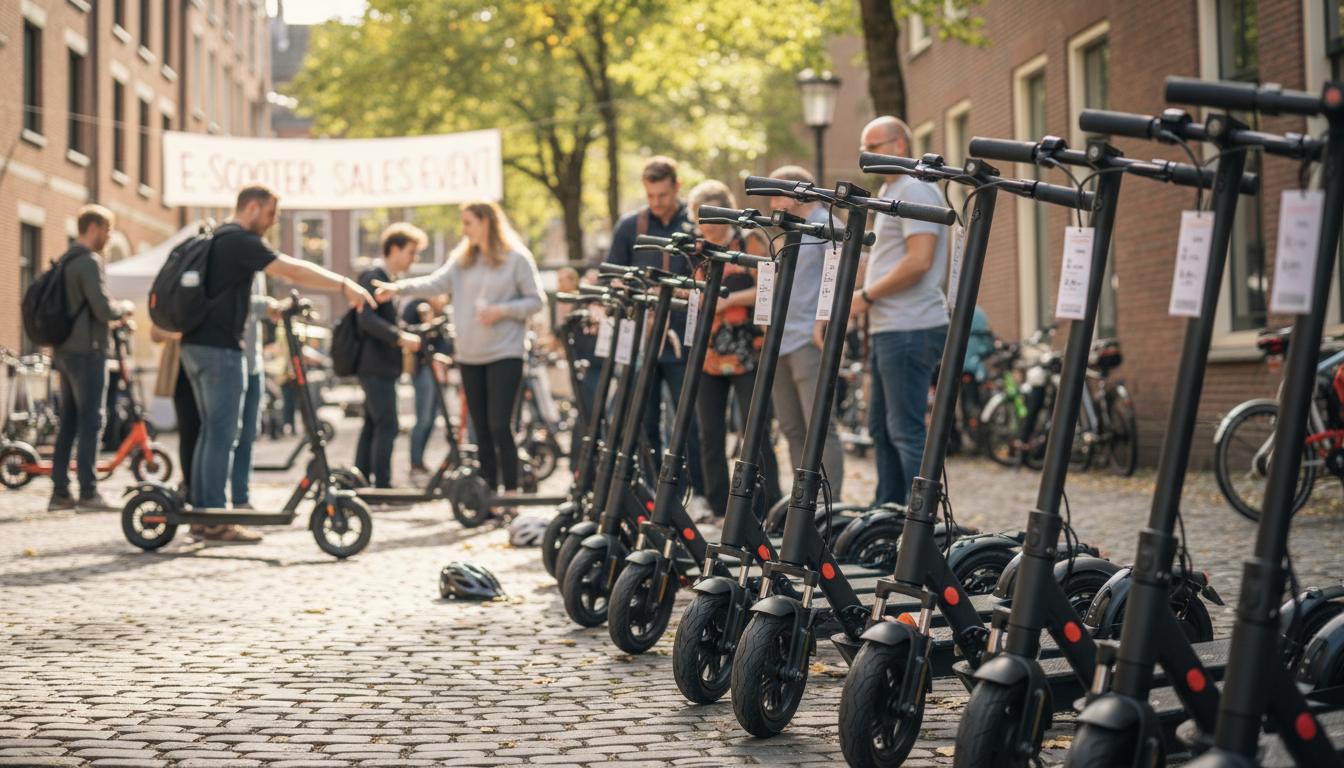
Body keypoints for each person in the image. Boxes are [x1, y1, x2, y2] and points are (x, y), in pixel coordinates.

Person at [179, 185, 376, 542]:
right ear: (252, 208)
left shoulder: (219, 239)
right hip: (221, 350)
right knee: (223, 434)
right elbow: (292, 270)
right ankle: (214, 519)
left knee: (212, 432)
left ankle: (204, 514)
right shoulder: (239, 240)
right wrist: (344, 284)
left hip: (196, 347)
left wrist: (269, 306)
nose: (272, 223)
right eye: (271, 214)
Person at [374, 201, 544, 496]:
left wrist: (502, 310)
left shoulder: (516, 258)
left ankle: (512, 493)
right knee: (481, 430)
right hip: (469, 356)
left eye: (468, 222)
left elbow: (536, 301)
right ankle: (489, 492)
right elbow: (434, 283)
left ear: (486, 222)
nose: (463, 229)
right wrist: (398, 289)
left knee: (500, 425)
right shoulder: (461, 260)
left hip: (505, 353)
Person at [850, 116, 951, 505]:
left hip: (911, 328)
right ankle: (888, 512)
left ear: (899, 146)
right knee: (879, 427)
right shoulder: (891, 192)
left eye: (874, 146)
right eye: (865, 147)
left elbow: (920, 260)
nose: (867, 155)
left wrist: (868, 295)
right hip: (889, 329)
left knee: (905, 429)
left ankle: (922, 518)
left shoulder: (915, 190)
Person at [604, 156, 707, 508]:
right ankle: (652, 494)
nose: (657, 202)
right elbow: (612, 274)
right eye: (651, 195)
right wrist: (632, 288)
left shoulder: (695, 222)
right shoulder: (630, 225)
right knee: (644, 421)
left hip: (683, 339)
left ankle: (694, 496)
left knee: (686, 422)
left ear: (677, 187)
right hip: (643, 341)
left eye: (662, 194)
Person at [687, 181, 782, 520]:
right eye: (705, 226)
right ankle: (719, 507)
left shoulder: (751, 241)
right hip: (708, 352)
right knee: (709, 433)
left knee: (753, 430)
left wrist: (723, 300)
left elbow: (766, 288)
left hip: (748, 349)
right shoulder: (696, 248)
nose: (711, 233)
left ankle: (768, 505)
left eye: (716, 226)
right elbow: (689, 292)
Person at [763, 165, 846, 501]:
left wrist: (824, 322)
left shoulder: (830, 226)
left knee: (820, 429)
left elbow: (844, 278)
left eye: (776, 194)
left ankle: (830, 506)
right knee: (792, 429)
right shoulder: (783, 230)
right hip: (778, 341)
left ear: (794, 192)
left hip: (809, 341)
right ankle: (803, 501)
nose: (772, 202)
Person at [47, 205, 134, 512]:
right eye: (107, 231)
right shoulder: (89, 261)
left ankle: (60, 491)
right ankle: (88, 491)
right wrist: (123, 308)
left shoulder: (66, 259)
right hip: (88, 351)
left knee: (69, 420)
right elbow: (102, 308)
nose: (108, 238)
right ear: (94, 228)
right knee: (92, 420)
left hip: (65, 350)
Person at [351, 224, 426, 489]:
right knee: (388, 425)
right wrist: (399, 337)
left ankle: (359, 480)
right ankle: (382, 485)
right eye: (411, 252)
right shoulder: (374, 276)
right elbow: (366, 319)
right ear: (393, 249)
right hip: (374, 364)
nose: (413, 259)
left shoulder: (388, 280)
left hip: (381, 365)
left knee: (373, 423)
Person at [402, 293, 450, 482]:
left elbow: (446, 343)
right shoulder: (415, 307)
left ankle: (420, 460)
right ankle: (415, 461)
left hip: (440, 370)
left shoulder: (443, 313)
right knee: (423, 417)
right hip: (423, 368)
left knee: (432, 418)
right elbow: (410, 335)